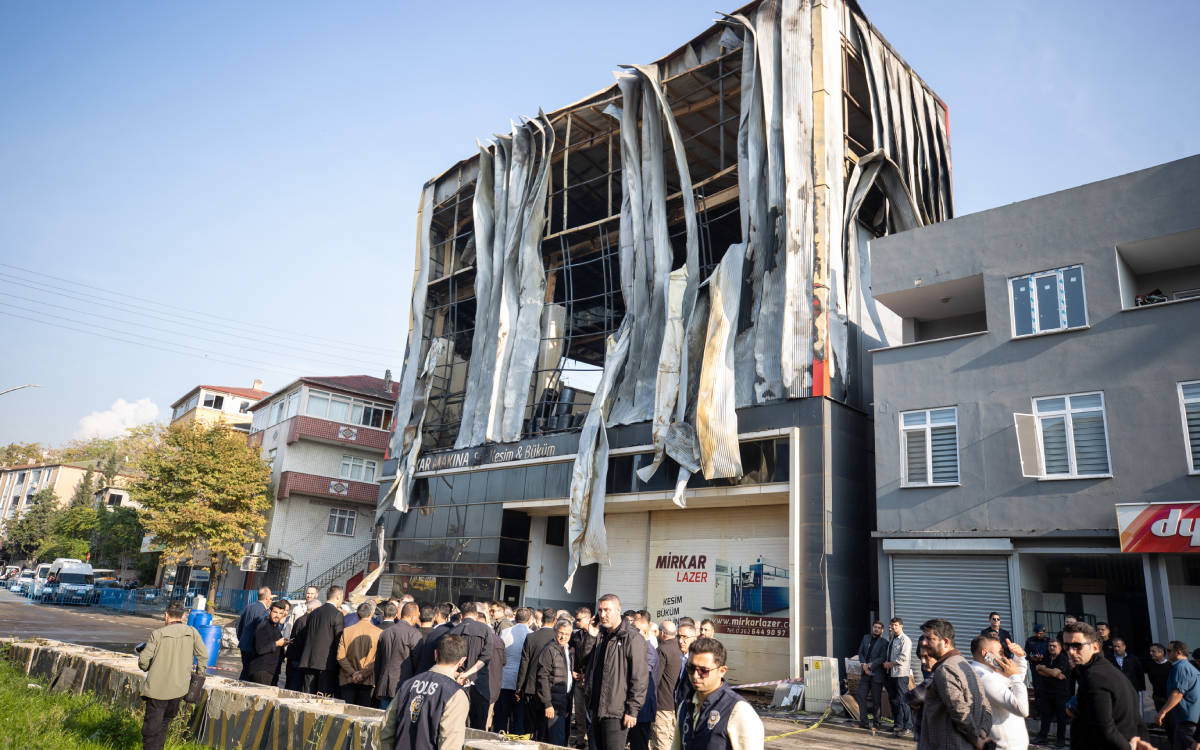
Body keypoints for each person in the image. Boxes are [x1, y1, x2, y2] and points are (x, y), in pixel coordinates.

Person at [1062, 620, 1147, 749]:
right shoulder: (1108, 672)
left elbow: (1104, 728)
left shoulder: (1095, 677)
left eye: (1077, 646)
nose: (1071, 651)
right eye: (1066, 646)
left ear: (1095, 647)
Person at [379, 633, 470, 750]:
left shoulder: (409, 684)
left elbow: (387, 727)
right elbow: (450, 742)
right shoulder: (455, 694)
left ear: (436, 654)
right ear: (462, 661)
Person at [670, 638, 764, 750]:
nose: (695, 675)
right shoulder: (685, 706)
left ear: (722, 671)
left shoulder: (738, 711)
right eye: (691, 668)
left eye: (703, 670)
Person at [138, 601, 208, 750]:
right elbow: (203, 654)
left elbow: (143, 661)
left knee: (150, 730)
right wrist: (199, 674)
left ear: (166, 615)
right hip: (179, 689)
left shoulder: (158, 634)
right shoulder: (192, 632)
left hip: (158, 690)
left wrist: (149, 666)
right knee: (164, 724)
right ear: (183, 616)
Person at [584, 594, 649, 750]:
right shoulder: (600, 636)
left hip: (616, 712)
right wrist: (591, 637)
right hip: (596, 709)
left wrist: (632, 710)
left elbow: (639, 678)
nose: (603, 614)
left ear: (618, 610)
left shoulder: (632, 638)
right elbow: (583, 663)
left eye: (607, 610)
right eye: (600, 610)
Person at [917, 618, 991, 750]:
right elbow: (986, 707)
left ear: (945, 642)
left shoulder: (945, 669)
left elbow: (959, 710)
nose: (923, 642)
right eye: (923, 638)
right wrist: (982, 732)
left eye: (929, 639)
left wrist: (976, 739)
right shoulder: (965, 664)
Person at [967, 634, 1028, 749]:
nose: (1003, 656)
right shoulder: (984, 677)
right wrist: (1014, 675)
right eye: (1000, 652)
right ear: (985, 654)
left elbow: (1015, 682)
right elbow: (1022, 709)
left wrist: (1019, 657)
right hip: (1005, 746)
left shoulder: (989, 672)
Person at [449, 605, 496, 730]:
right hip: (480, 683)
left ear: (461, 616)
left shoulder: (453, 631)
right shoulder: (486, 630)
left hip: (457, 683)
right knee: (478, 727)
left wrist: (459, 674)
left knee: (457, 725)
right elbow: (485, 658)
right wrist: (469, 673)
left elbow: (448, 659)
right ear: (476, 615)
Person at [517, 607, 560, 739]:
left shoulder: (531, 637)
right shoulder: (557, 638)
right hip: (549, 688)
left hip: (530, 687)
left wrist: (519, 687)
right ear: (555, 621)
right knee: (544, 727)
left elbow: (524, 664)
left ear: (541, 620)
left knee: (529, 726)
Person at [375, 601, 424, 710]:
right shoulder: (414, 634)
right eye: (418, 615)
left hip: (384, 685)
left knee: (383, 721)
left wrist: (378, 684)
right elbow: (417, 664)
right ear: (413, 616)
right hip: (403, 686)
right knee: (397, 723)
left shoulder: (386, 632)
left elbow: (377, 662)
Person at [298, 585, 345, 695]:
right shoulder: (337, 614)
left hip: (309, 660)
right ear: (338, 597)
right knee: (323, 699)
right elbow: (339, 639)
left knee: (306, 696)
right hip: (326, 665)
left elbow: (307, 634)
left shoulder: (314, 612)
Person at [1155, 640, 1200, 750]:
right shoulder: (1185, 667)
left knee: (1193, 745)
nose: (1167, 653)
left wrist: (1162, 712)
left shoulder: (1181, 668)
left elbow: (1178, 693)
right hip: (1185, 718)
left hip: (1187, 719)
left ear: (1178, 652)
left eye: (1169, 650)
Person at [536, 619, 575, 746]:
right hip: (553, 703)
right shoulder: (550, 649)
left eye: (567, 634)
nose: (563, 636)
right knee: (554, 740)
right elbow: (543, 677)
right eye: (561, 633)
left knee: (559, 739)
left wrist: (568, 705)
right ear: (555, 631)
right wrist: (548, 704)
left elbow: (566, 675)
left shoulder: (567, 650)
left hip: (563, 703)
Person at [496, 607, 533, 734]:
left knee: (501, 716)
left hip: (505, 678)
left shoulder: (505, 632)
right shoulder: (531, 634)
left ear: (515, 618)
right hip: (521, 681)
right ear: (530, 619)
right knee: (518, 717)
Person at [338, 601, 382, 706]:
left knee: (345, 712)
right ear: (371, 614)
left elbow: (340, 657)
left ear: (357, 614)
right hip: (367, 679)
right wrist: (362, 674)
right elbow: (378, 659)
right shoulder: (379, 633)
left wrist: (353, 673)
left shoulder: (347, 631)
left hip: (348, 678)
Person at [1034, 638, 1072, 748]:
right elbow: (1038, 670)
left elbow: (1054, 672)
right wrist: (1051, 673)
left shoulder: (1063, 658)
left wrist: (1044, 669)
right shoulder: (1047, 656)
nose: (1051, 648)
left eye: (1054, 646)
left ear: (1060, 648)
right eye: (1050, 645)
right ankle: (1042, 737)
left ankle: (1060, 740)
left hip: (1061, 692)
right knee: (1045, 715)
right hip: (1046, 691)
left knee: (1061, 717)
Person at [630, 614, 660, 750]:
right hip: (637, 708)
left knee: (639, 745)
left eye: (637, 630)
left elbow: (639, 677)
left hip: (642, 709)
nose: (633, 633)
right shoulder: (640, 648)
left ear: (646, 631)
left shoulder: (649, 652)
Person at [569, 607, 599, 748]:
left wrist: (587, 674)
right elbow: (571, 653)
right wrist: (571, 670)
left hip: (591, 681)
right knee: (580, 712)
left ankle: (591, 740)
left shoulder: (598, 636)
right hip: (578, 679)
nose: (576, 621)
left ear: (588, 619)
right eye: (575, 618)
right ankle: (581, 740)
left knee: (591, 714)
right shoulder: (577, 636)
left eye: (579, 619)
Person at [652, 619, 683, 750]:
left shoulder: (662, 649)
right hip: (676, 703)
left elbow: (655, 678)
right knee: (672, 740)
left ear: (663, 633)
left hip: (662, 703)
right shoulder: (680, 647)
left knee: (661, 741)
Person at [855, 620, 888, 731]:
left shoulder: (884, 642)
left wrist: (870, 666)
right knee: (860, 695)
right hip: (865, 674)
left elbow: (882, 658)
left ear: (882, 630)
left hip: (876, 675)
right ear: (872, 627)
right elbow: (860, 653)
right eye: (875, 627)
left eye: (879, 628)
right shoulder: (866, 638)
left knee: (876, 700)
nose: (876, 629)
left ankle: (877, 723)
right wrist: (864, 665)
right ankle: (864, 722)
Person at [883, 616, 913, 737]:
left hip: (900, 674)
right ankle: (898, 725)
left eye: (896, 625)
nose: (893, 627)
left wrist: (890, 664)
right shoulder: (892, 639)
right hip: (891, 674)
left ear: (901, 626)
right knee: (894, 700)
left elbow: (903, 657)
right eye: (892, 625)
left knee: (903, 700)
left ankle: (908, 726)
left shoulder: (905, 640)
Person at [248, 599, 290, 686]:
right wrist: (277, 644)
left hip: (272, 670)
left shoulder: (276, 628)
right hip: (262, 670)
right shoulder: (263, 626)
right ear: (270, 612)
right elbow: (260, 649)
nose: (277, 615)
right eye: (275, 612)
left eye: (280, 613)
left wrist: (283, 646)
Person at [235, 586, 272, 680]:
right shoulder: (263, 611)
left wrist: (241, 638)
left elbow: (238, 624)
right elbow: (261, 628)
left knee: (246, 670)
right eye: (270, 597)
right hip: (253, 647)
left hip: (244, 644)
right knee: (249, 672)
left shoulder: (249, 606)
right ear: (267, 598)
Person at [284, 598, 319, 691]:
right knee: (294, 686)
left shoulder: (302, 619)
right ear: (312, 609)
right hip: (298, 658)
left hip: (295, 657)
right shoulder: (307, 621)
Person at [1111, 638, 1146, 707]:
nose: (1116, 649)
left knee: (1135, 708)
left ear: (1124, 646)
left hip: (1133, 689)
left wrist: (1141, 688)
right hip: (1118, 691)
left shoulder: (1133, 659)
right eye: (1114, 646)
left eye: (1118, 646)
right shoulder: (1110, 660)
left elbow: (1140, 673)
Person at [674, 621, 698, 708]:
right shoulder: (683, 658)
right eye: (678, 637)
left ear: (694, 639)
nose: (680, 641)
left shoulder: (696, 661)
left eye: (685, 637)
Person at [1149, 643, 1173, 711]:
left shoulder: (1171, 666)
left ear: (1161, 652)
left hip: (1170, 698)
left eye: (1153, 651)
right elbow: (1152, 680)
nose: (1150, 653)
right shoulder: (1151, 666)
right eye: (1150, 651)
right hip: (1157, 697)